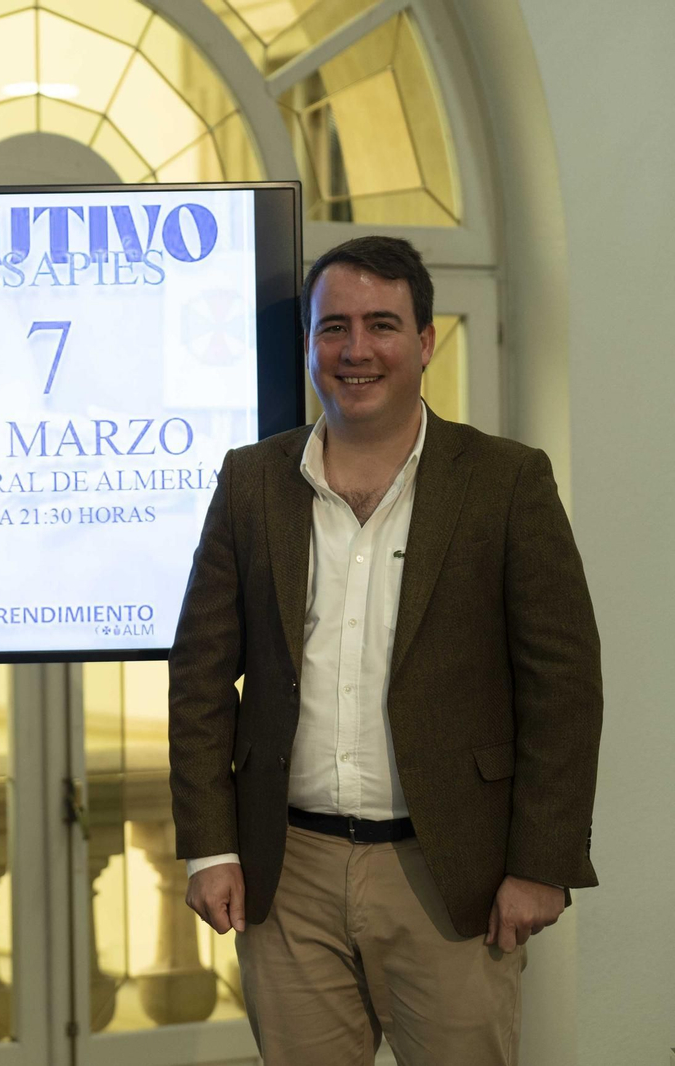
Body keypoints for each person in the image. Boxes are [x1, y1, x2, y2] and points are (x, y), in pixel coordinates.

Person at [168, 236, 601, 1065]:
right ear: (309, 345)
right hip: (284, 874)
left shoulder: (506, 482)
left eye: (381, 325)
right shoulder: (251, 482)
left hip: (451, 875)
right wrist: (212, 845)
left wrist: (542, 865)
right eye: (333, 328)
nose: (355, 350)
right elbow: (199, 675)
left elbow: (565, 688)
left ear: (426, 341)